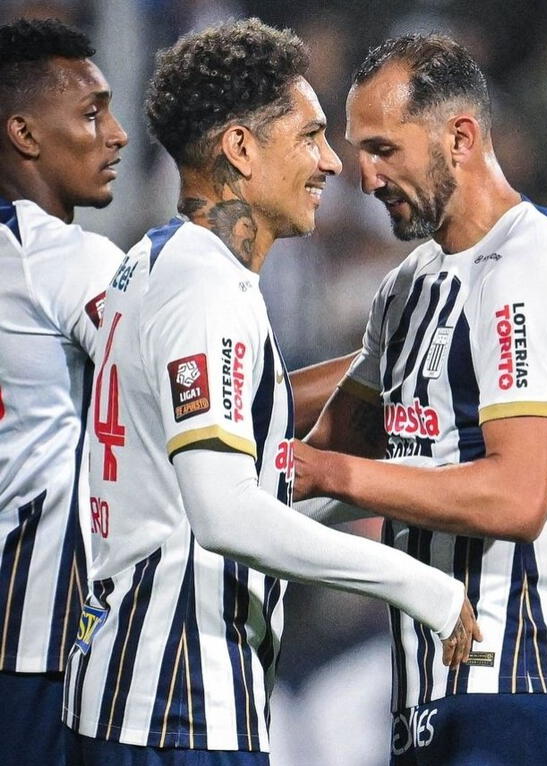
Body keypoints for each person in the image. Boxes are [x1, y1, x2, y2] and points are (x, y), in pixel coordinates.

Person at [62, 19, 478, 764]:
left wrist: (408, 488)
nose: (329, 162)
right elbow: (227, 517)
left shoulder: (152, 267)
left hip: (138, 692)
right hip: (177, 706)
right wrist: (417, 586)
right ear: (241, 149)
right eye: (311, 136)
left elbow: (212, 498)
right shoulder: (205, 292)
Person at [293, 33, 547, 765]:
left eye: (383, 149)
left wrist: (332, 477)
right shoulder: (409, 287)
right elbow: (339, 441)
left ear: (459, 137)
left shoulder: (527, 267)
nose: (362, 177)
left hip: (518, 677)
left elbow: (518, 496)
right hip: (423, 685)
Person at [0, 17, 128, 766]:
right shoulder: (65, 258)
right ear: (23, 131)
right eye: (89, 112)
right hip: (45, 641)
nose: (113, 135)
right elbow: (213, 395)